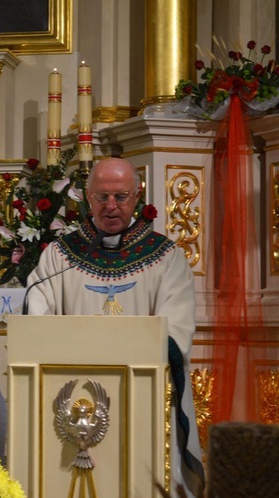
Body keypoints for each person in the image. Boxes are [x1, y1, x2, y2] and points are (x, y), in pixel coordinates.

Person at [25, 157, 205, 497]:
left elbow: (175, 330)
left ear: (136, 197)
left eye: (121, 197)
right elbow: (37, 311)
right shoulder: (60, 256)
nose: (111, 206)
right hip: (74, 399)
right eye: (102, 197)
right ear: (87, 198)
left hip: (143, 396)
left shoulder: (165, 258)